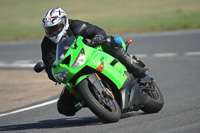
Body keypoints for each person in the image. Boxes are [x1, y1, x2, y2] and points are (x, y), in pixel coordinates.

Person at [41, 7, 148, 116]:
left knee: (109, 41)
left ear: (63, 23)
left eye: (54, 29)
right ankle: (87, 99)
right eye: (48, 30)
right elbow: (50, 66)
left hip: (91, 53)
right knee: (63, 107)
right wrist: (54, 74)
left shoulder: (74, 25)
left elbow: (95, 30)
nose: (51, 33)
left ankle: (134, 68)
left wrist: (98, 37)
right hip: (73, 70)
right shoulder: (46, 44)